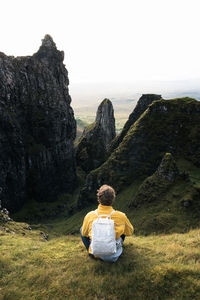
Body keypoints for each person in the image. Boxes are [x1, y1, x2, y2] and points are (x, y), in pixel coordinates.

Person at [80, 184, 133, 262]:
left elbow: (84, 234)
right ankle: (114, 248)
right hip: (114, 254)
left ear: (99, 198)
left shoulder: (90, 215)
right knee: (123, 228)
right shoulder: (121, 216)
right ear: (113, 198)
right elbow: (130, 232)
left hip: (96, 253)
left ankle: (91, 252)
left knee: (82, 229)